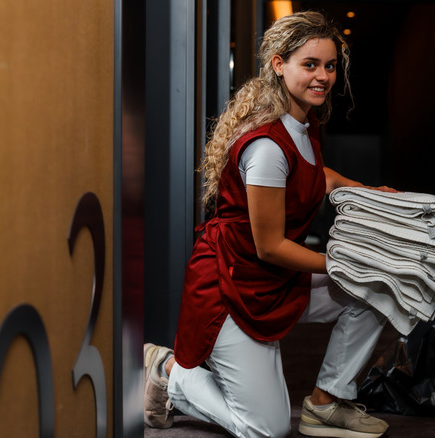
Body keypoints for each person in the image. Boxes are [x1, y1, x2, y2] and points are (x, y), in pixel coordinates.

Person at [143, 11, 395, 438]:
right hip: (233, 288)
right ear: (280, 65)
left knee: (378, 288)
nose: (323, 77)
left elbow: (316, 175)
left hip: (275, 283)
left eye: (330, 66)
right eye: (310, 65)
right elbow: (270, 246)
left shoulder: (305, 124)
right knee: (266, 429)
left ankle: (326, 403)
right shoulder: (266, 146)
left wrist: (364, 190)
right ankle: (171, 372)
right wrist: (339, 262)